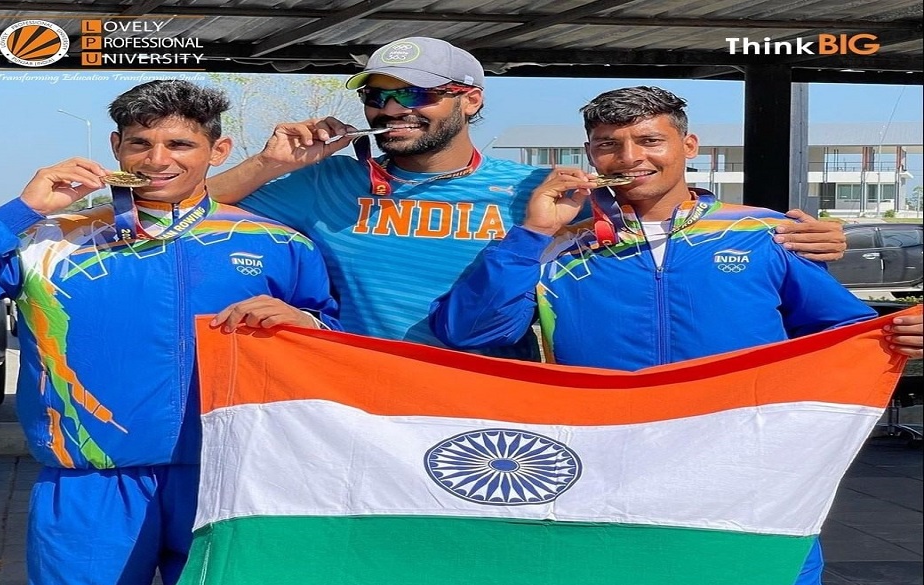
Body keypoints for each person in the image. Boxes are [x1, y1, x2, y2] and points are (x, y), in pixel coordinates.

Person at [428, 86, 922, 585]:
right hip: (606, 474)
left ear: (688, 145)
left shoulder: (763, 234)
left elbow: (849, 331)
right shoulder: (558, 244)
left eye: (649, 140)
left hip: (749, 471)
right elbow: (469, 334)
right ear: (590, 156)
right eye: (608, 145)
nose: (630, 157)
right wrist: (532, 233)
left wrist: (904, 333)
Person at [0, 80, 339, 585]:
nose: (157, 160)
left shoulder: (279, 243)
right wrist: (19, 210)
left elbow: (332, 345)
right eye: (140, 144)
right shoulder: (47, 241)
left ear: (218, 151)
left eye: (179, 145)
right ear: (116, 146)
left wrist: (311, 325)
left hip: (229, 485)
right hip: (89, 490)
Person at [207, 36, 849, 354]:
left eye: (415, 93)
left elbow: (664, 214)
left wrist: (790, 235)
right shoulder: (326, 183)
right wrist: (265, 165)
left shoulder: (535, 193)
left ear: (470, 98)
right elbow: (179, 213)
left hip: (500, 403)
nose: (391, 107)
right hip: (366, 396)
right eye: (376, 93)